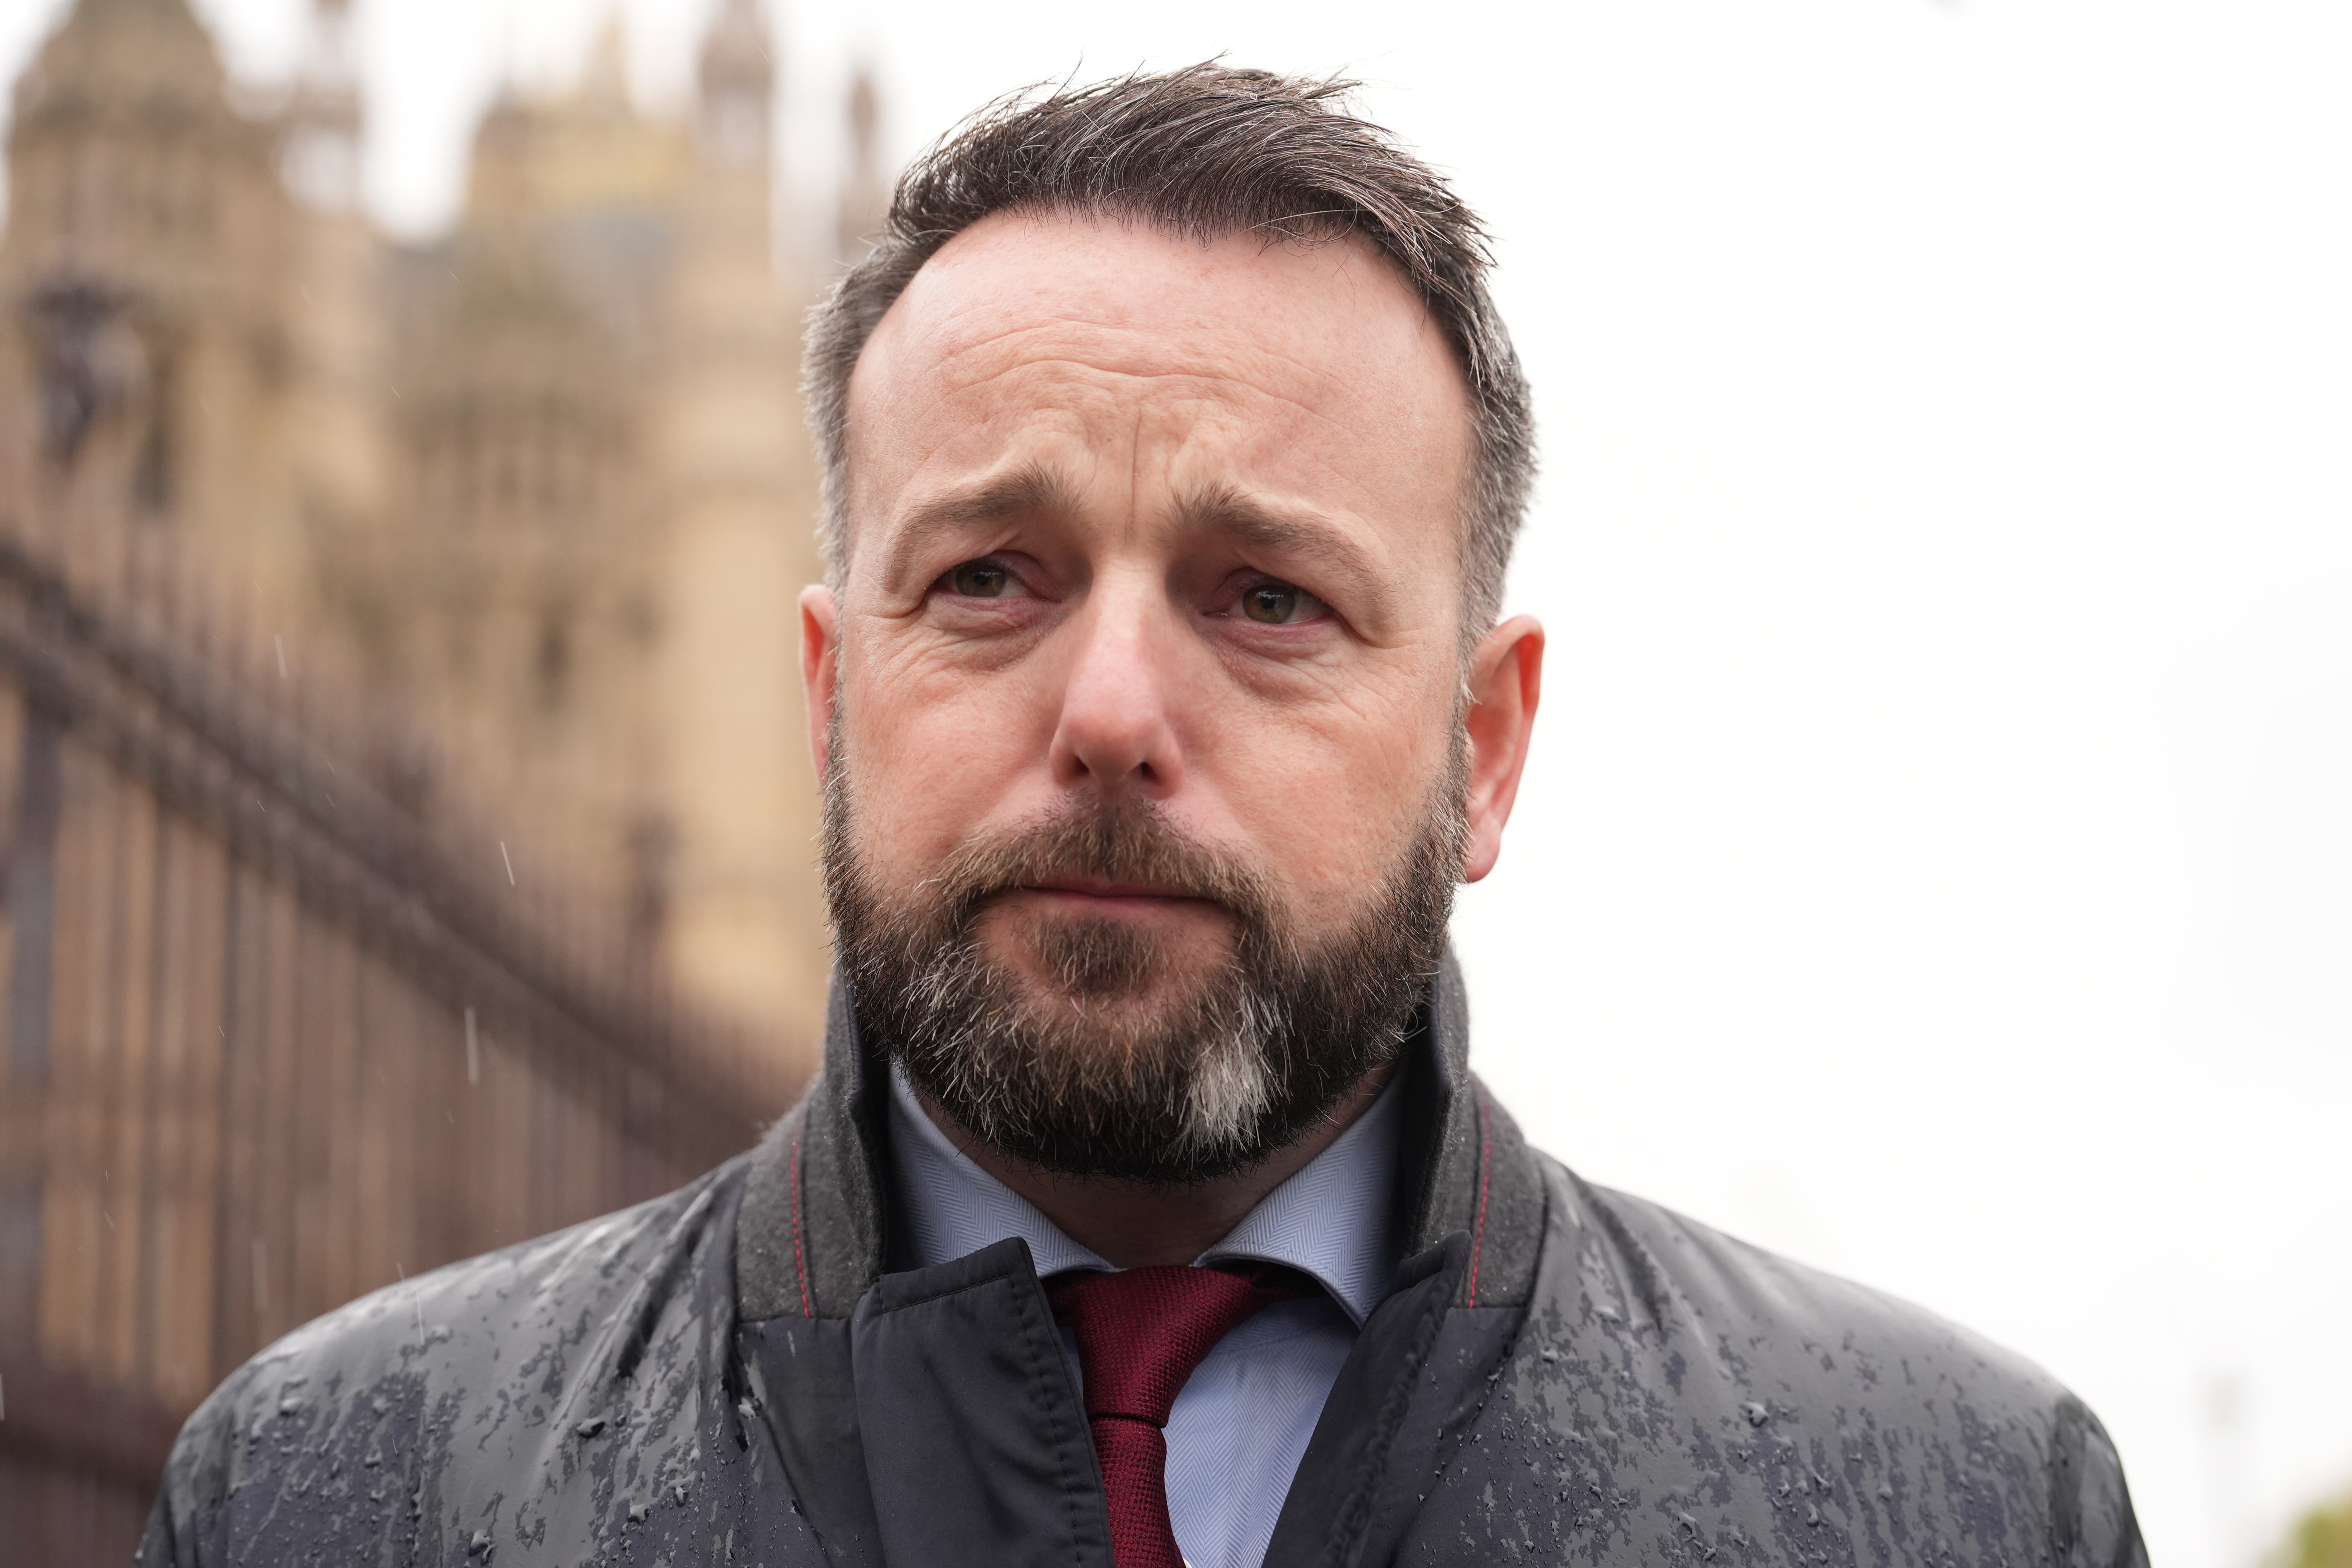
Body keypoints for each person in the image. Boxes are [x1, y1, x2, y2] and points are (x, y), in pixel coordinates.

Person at [140, 66, 2146, 1568]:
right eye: (993, 580)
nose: (1108, 713)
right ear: (830, 704)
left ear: (1487, 747)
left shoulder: (1958, 1508)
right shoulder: (332, 1497)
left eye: (1267, 598)